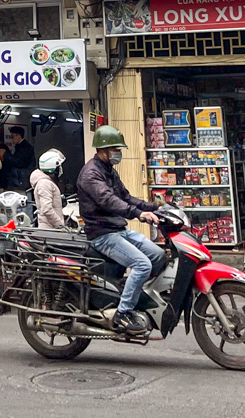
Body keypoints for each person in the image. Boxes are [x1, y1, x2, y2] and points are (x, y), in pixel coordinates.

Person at [78, 126, 163, 333]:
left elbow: (125, 197)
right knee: (142, 265)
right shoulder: (91, 174)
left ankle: (133, 295)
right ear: (104, 150)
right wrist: (138, 214)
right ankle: (122, 314)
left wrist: (153, 206)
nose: (119, 153)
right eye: (116, 148)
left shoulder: (109, 171)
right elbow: (109, 201)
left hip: (119, 230)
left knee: (158, 255)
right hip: (102, 234)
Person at [31, 149, 67, 229]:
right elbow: (47, 209)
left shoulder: (48, 182)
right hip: (50, 230)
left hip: (52, 229)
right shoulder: (44, 183)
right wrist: (60, 225)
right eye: (59, 166)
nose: (60, 168)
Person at [1, 126, 35, 190]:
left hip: (21, 179)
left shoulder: (25, 148)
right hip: (20, 178)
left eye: (12, 136)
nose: (12, 139)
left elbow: (19, 162)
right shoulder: (21, 146)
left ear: (18, 136)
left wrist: (5, 154)